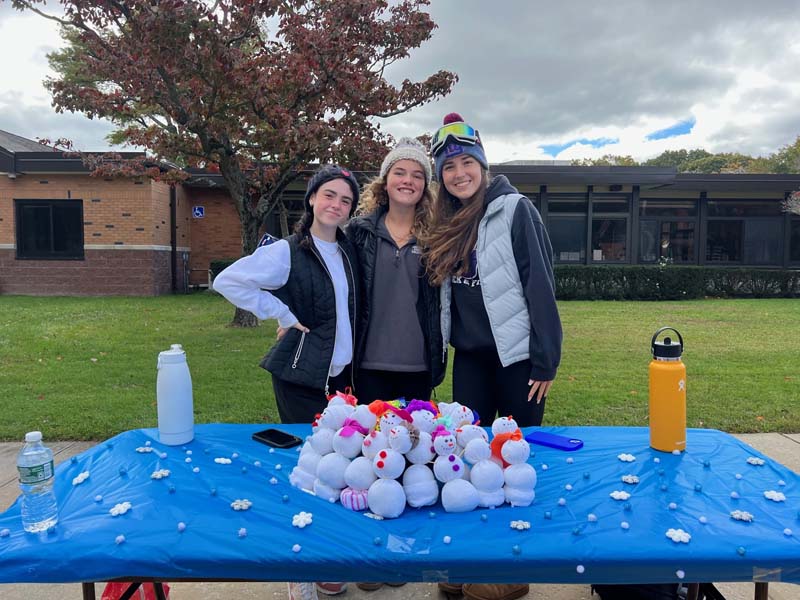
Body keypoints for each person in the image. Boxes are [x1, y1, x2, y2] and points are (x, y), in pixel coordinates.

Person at [424, 114, 563, 600]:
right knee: (468, 460)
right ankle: (468, 562)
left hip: (518, 360)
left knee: (514, 461)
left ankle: (512, 569)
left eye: (467, 162)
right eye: (448, 167)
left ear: (482, 165)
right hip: (472, 360)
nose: (459, 173)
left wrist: (546, 359)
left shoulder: (515, 209)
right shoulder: (444, 220)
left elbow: (540, 284)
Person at [213, 164, 361, 600]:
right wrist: (281, 313)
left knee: (339, 471)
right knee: (306, 472)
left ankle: (327, 561)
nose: (336, 204)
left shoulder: (348, 251)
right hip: (301, 376)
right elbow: (228, 280)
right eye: (329, 195)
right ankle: (299, 567)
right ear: (312, 198)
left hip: (343, 379)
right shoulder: (286, 251)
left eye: (346, 200)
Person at [346, 137, 446, 407]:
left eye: (417, 175)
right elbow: (330, 281)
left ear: (425, 185)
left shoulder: (436, 238)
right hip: (367, 364)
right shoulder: (359, 232)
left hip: (418, 367)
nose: (407, 181)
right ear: (385, 180)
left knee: (415, 434)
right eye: (399, 172)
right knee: (370, 434)